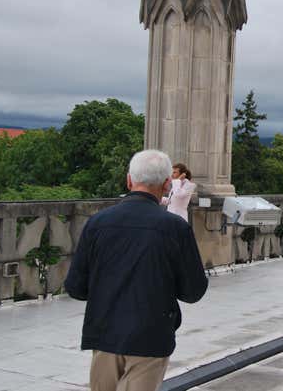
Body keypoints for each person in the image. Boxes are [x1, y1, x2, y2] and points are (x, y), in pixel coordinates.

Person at [65, 149, 208, 391]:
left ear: (129, 180)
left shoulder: (97, 223)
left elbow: (76, 287)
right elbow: (193, 292)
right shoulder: (175, 228)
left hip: (104, 334)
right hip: (150, 336)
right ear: (166, 184)